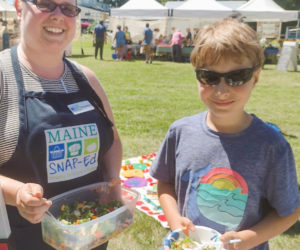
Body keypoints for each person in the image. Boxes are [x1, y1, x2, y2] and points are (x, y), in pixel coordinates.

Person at [150, 18, 300, 250]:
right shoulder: (180, 132)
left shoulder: (271, 146)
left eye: (237, 77)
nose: (222, 90)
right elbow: (165, 183)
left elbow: (290, 211)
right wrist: (174, 221)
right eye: (209, 77)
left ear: (256, 78)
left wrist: (250, 238)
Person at [0, 0, 122, 249]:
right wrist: (18, 194)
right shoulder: (3, 76)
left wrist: (111, 177)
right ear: (19, 7)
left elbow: (112, 140)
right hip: (23, 238)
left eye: (67, 8)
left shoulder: (86, 78)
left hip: (90, 234)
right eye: (46, 4)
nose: (58, 15)